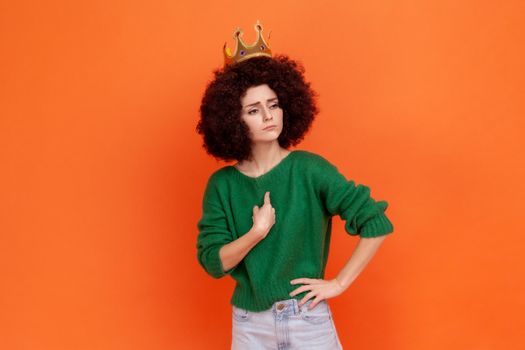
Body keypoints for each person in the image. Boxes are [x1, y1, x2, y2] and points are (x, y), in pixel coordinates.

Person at [195, 20, 394, 350]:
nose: (269, 116)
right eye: (254, 110)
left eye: (273, 105)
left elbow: (377, 223)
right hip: (248, 325)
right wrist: (256, 232)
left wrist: (339, 283)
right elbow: (214, 263)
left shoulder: (309, 170)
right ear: (233, 120)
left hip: (306, 320)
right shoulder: (222, 185)